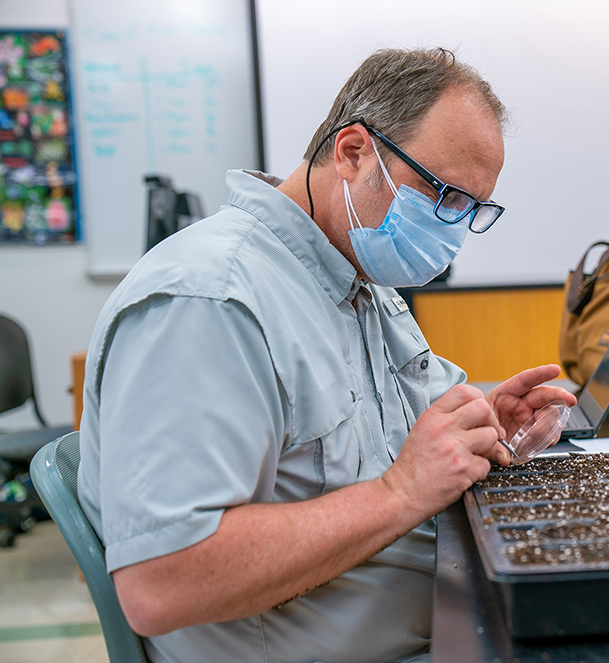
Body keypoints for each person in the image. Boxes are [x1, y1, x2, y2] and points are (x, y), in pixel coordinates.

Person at [77, 47, 576, 663]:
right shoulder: (211, 298)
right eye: (441, 195)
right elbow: (163, 582)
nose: (452, 229)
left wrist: (484, 423)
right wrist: (401, 493)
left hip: (446, 624)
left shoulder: (358, 280)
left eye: (473, 210)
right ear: (352, 151)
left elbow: (413, 436)